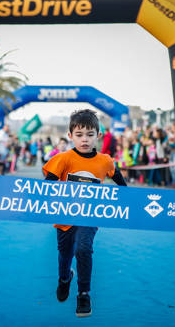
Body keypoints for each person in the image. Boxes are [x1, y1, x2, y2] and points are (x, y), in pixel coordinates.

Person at [42, 109, 127, 318]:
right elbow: (46, 189)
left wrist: (128, 201)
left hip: (89, 217)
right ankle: (64, 278)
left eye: (90, 135)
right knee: (64, 255)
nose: (85, 140)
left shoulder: (105, 161)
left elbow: (122, 186)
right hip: (64, 218)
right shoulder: (62, 159)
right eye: (79, 135)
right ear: (70, 136)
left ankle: (83, 293)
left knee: (83, 249)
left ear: (98, 136)